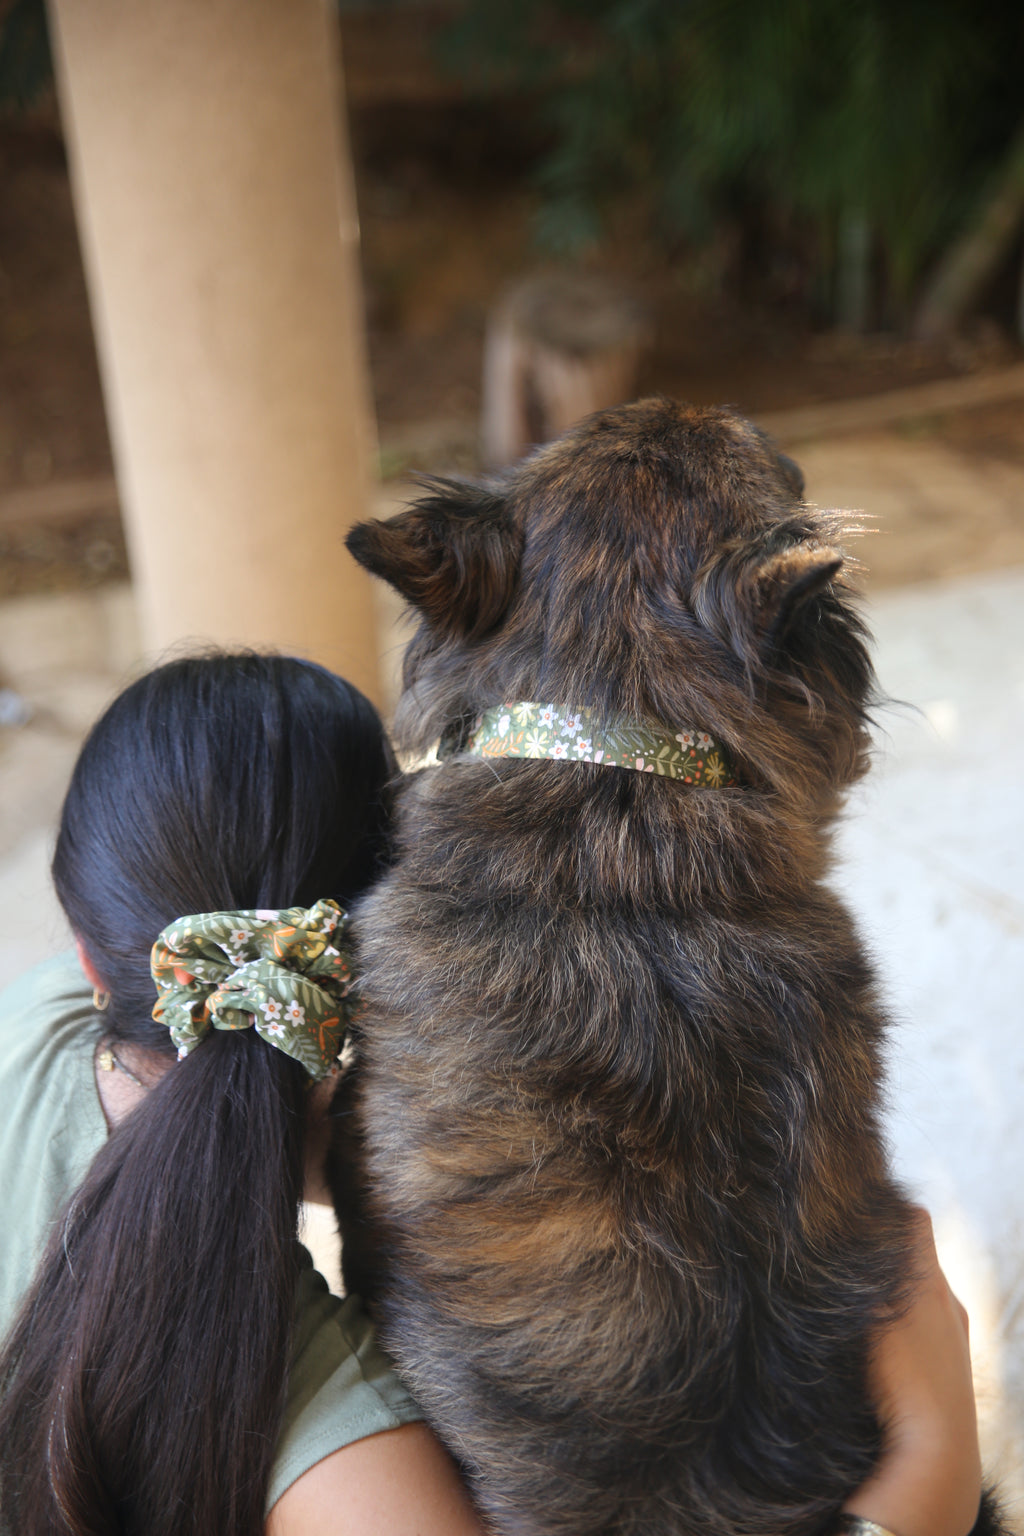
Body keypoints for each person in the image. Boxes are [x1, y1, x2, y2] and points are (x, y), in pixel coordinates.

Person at [0, 652, 983, 1536]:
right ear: (396, 930)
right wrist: (928, 1467)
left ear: (91, 959)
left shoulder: (29, 1019)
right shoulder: (340, 1445)